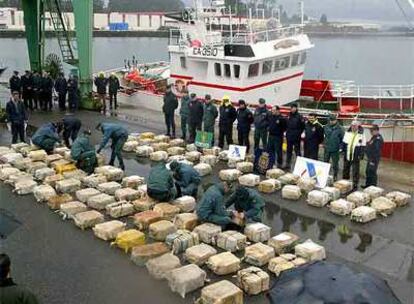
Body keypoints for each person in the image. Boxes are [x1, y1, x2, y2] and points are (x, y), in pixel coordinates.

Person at [342, 120, 366, 190]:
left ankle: (355, 184)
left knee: (355, 170)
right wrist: (342, 149)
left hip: (356, 154)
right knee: (346, 168)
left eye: (355, 126)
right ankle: (345, 181)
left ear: (358, 126)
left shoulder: (362, 134)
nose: (353, 127)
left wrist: (361, 155)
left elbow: (363, 145)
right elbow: (343, 143)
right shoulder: (347, 133)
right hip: (347, 153)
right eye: (352, 125)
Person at [324, 115, 344, 181]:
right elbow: (324, 136)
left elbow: (342, 139)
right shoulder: (326, 127)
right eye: (330, 120)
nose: (331, 121)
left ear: (336, 120)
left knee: (335, 164)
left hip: (335, 149)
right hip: (327, 148)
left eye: (333, 120)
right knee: (325, 163)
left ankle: (335, 176)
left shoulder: (340, 128)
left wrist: (341, 148)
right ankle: (324, 175)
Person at [285, 103, 305, 169]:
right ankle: (287, 164)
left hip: (296, 137)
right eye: (291, 108)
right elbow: (286, 125)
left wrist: (298, 133)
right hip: (289, 136)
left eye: (294, 107)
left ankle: (300, 165)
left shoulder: (299, 116)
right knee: (289, 151)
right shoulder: (289, 116)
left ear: (296, 108)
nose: (292, 109)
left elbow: (303, 126)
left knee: (297, 151)